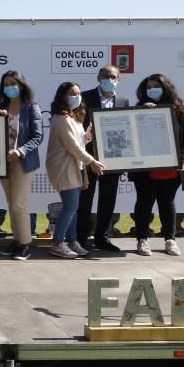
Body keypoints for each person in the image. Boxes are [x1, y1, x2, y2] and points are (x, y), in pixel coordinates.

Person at [129, 74, 184, 257]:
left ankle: (170, 239)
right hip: (146, 169)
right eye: (149, 87)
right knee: (144, 203)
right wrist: (143, 111)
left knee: (167, 203)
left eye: (156, 86)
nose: (153, 90)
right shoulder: (139, 109)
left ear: (165, 88)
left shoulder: (179, 110)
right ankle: (142, 239)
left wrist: (181, 154)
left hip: (171, 168)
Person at [45, 82, 105, 259]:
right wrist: (92, 161)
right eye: (72, 93)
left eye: (78, 93)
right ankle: (57, 243)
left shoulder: (73, 118)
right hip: (63, 168)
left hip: (75, 167)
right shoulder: (60, 119)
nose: (77, 97)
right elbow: (71, 146)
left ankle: (72, 241)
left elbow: (77, 144)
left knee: (73, 207)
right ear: (63, 96)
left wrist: (86, 138)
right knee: (71, 206)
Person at [76, 65, 129, 252]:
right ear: (98, 77)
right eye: (105, 75)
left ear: (118, 79)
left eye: (113, 76)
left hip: (112, 160)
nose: (109, 79)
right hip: (88, 158)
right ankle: (80, 238)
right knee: (85, 200)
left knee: (108, 200)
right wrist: (87, 157)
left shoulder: (123, 101)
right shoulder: (84, 98)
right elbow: (76, 127)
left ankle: (102, 238)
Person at [0, 69, 43, 261]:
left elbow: (37, 137)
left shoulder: (32, 108)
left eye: (13, 83)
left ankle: (25, 245)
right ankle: (16, 240)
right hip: (3, 163)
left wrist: (20, 151)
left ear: (21, 85)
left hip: (23, 161)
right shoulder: (0, 107)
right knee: (11, 204)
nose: (9, 87)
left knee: (19, 204)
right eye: (6, 84)